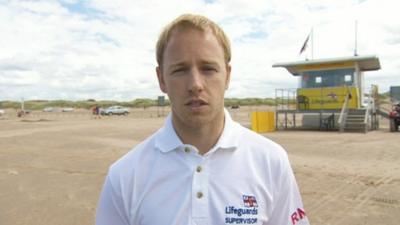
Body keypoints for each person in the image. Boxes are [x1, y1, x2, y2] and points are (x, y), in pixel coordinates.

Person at [96, 14, 310, 225]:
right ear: (162, 79)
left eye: (208, 69)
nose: (195, 84)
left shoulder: (270, 161)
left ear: (227, 75)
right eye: (180, 70)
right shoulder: (124, 176)